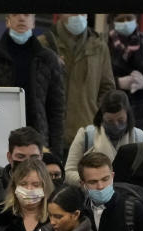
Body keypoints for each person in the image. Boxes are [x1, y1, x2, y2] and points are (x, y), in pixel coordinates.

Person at [0, 14, 65, 155]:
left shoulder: (48, 58)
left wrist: (56, 153)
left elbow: (56, 110)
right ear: (7, 21)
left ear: (33, 22)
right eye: (16, 14)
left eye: (27, 15)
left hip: (37, 139)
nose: (22, 18)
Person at [39, 13, 116, 147]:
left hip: (87, 134)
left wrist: (96, 114)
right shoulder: (43, 44)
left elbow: (107, 87)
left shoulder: (99, 46)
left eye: (82, 13)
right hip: (51, 134)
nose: (78, 16)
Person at [64, 89, 143, 186]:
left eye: (120, 120)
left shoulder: (141, 138)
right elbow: (69, 172)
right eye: (110, 121)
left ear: (128, 116)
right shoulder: (86, 135)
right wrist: (91, 182)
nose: (116, 125)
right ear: (102, 117)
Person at [108, 13, 143, 126]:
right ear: (114, 22)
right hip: (115, 112)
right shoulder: (105, 44)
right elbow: (97, 80)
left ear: (135, 20)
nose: (125, 23)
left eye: (128, 18)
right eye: (121, 20)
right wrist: (117, 83)